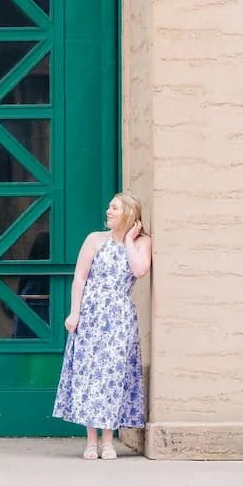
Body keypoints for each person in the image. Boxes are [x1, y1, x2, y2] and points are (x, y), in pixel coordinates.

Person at [53, 190, 150, 458]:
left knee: (112, 376)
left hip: (119, 316)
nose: (108, 211)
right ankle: (91, 441)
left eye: (114, 208)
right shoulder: (95, 240)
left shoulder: (142, 243)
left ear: (129, 214)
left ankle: (109, 440)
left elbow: (140, 270)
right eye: (109, 207)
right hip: (92, 313)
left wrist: (129, 240)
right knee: (88, 375)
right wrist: (75, 313)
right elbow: (80, 278)